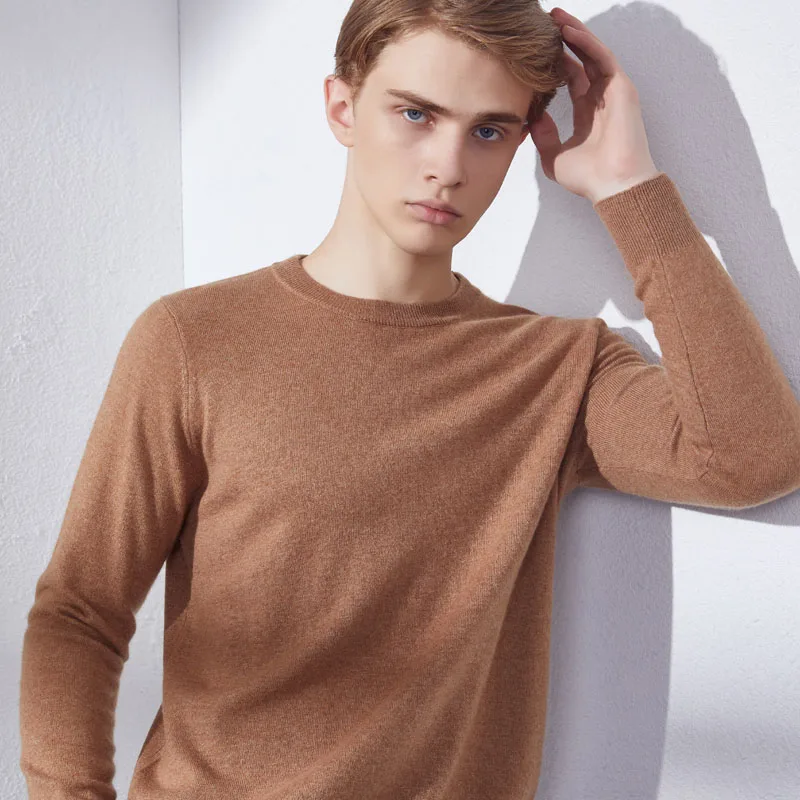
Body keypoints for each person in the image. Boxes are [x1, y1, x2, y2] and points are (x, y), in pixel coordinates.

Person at [19, 2, 800, 799]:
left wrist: (631, 190)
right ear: (342, 107)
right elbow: (82, 609)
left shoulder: (553, 370)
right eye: (416, 115)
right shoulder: (194, 340)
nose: (448, 166)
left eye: (489, 130)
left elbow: (754, 456)